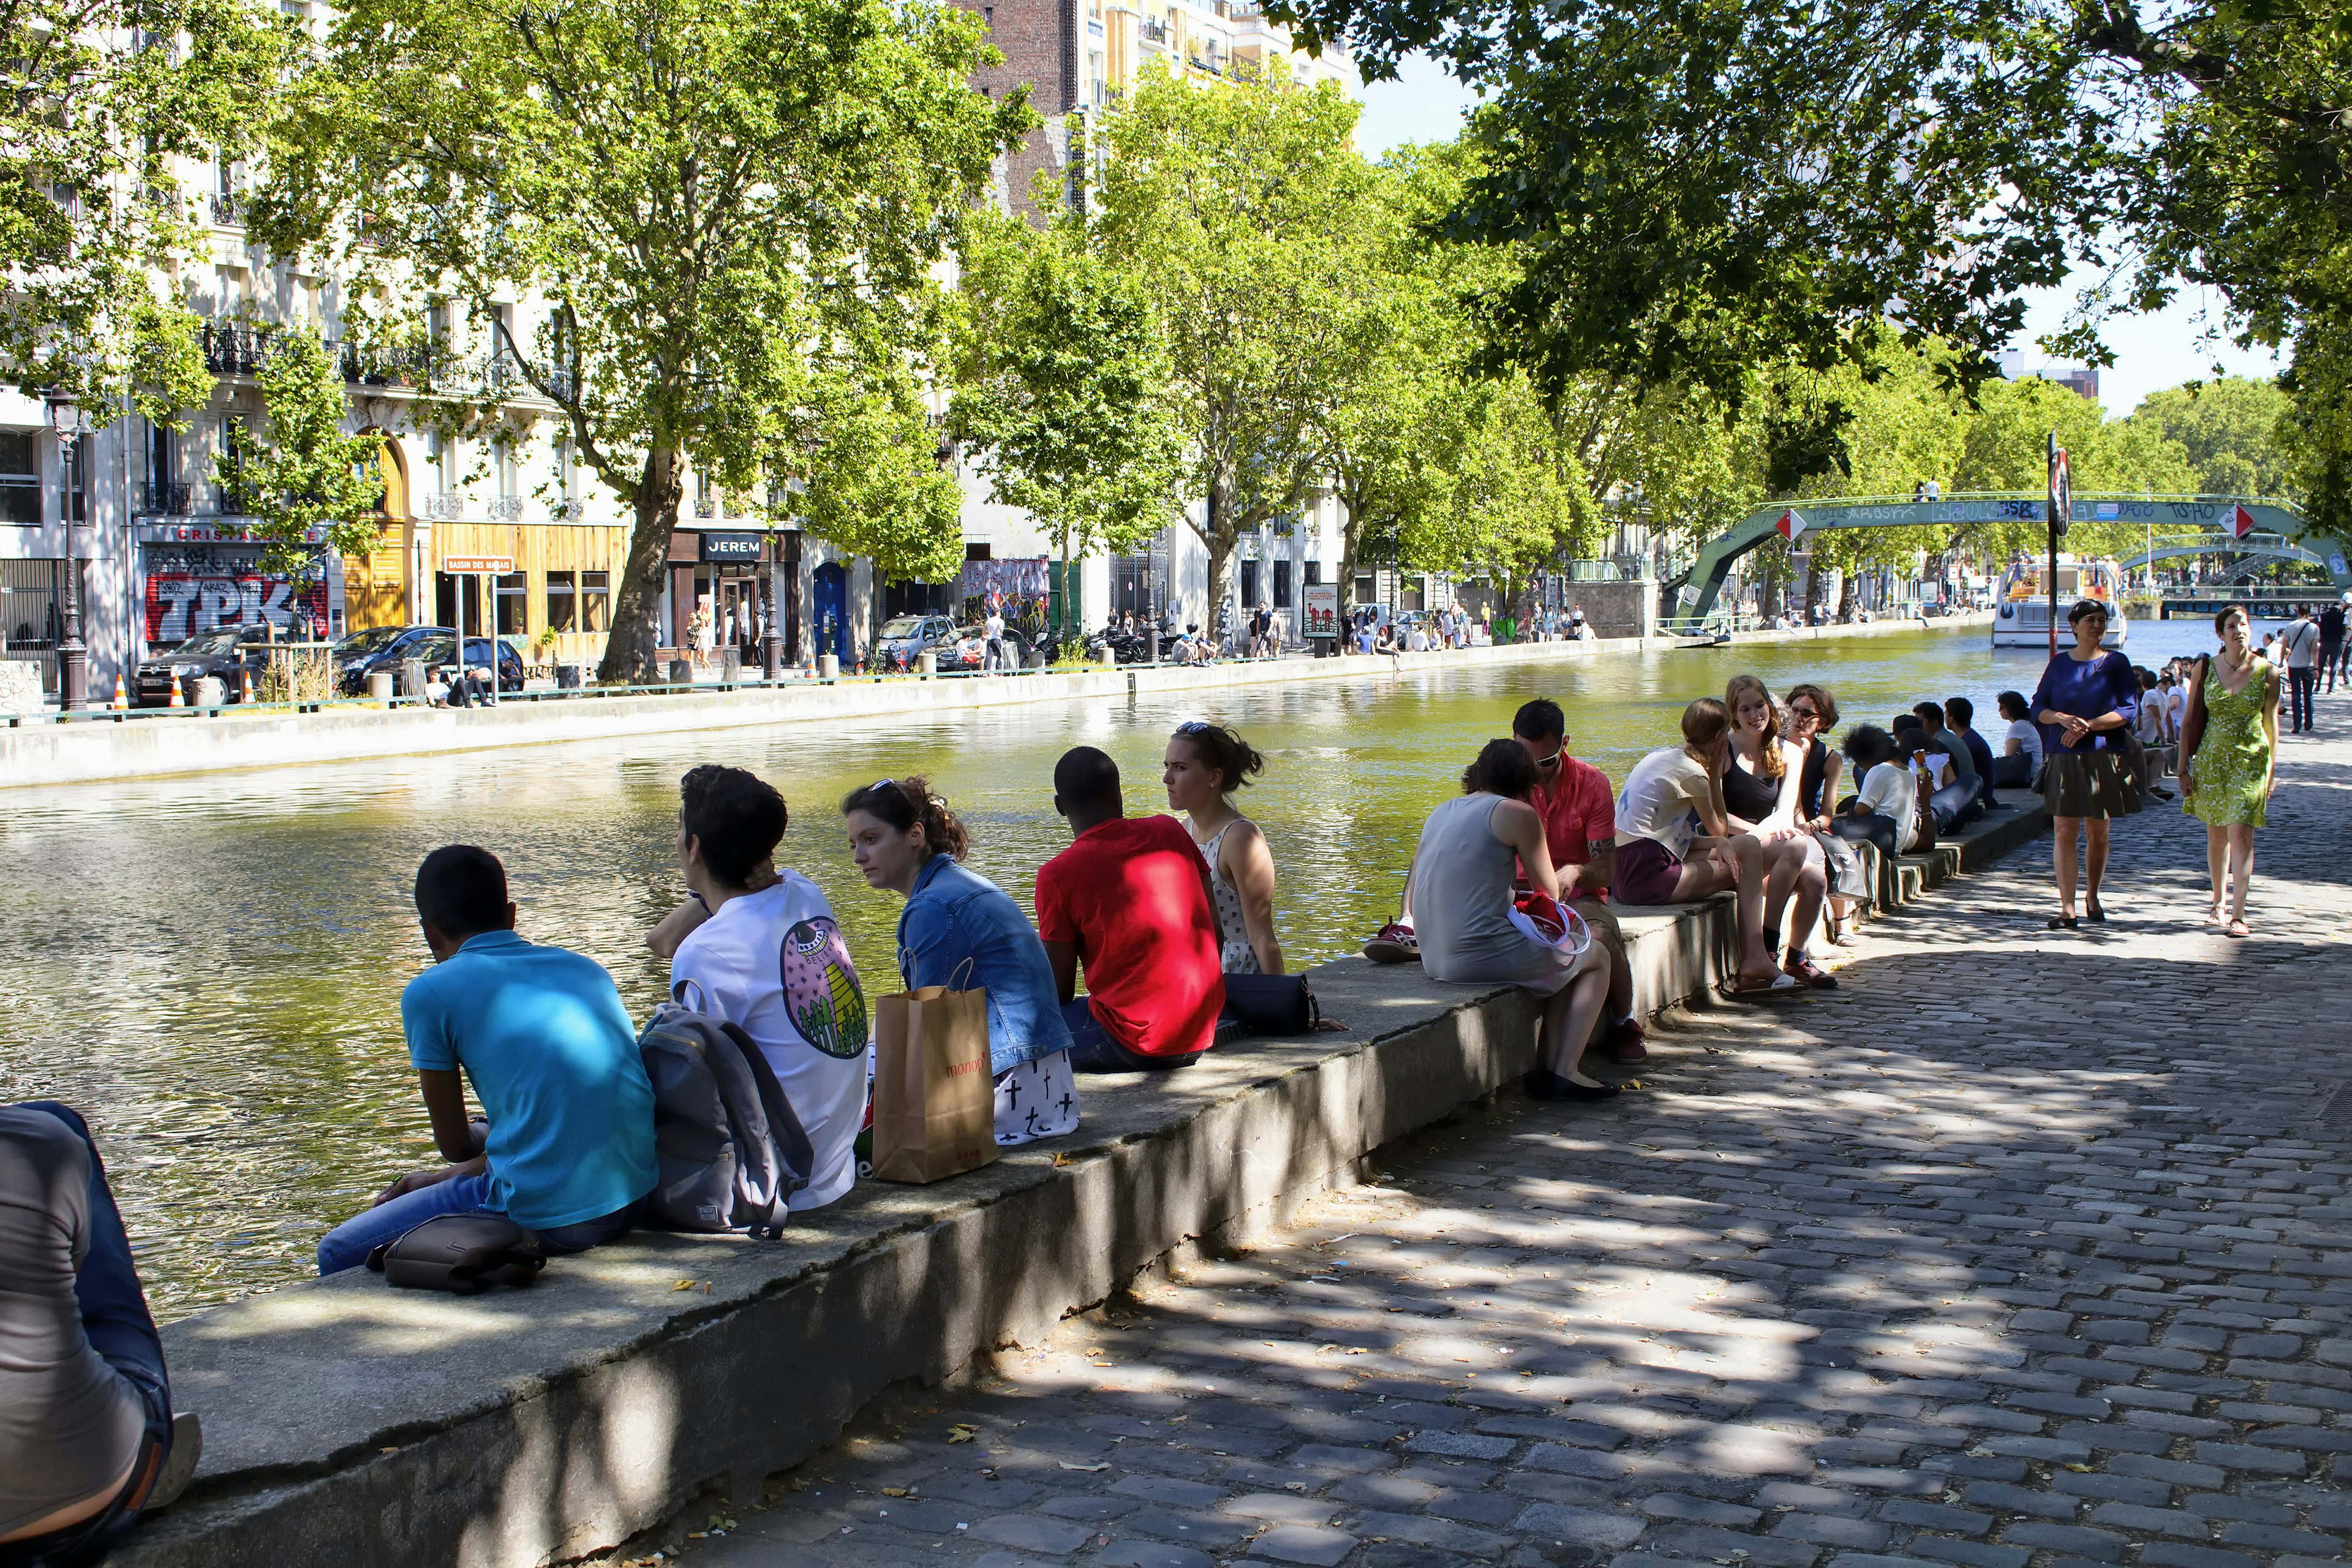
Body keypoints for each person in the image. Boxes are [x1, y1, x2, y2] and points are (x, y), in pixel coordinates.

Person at [317, 846, 658, 1275]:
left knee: (335, 1251)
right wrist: (477, 1145)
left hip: (556, 1220)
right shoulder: (586, 969)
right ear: (511, 914)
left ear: (429, 933)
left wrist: (474, 1139)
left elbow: (454, 1145)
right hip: (633, 1200)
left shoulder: (430, 993)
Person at [1, 1103, 197, 1564]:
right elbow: (72, 1267)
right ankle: (140, 1446)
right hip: (78, 1507)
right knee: (61, 1119)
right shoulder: (37, 1139)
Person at [667, 766, 869, 1212]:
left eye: (680, 828)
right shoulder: (804, 892)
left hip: (779, 1187)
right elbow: (670, 935)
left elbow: (691, 1096)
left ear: (695, 847)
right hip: (836, 1169)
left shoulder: (706, 953)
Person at [843, 777, 1079, 1148]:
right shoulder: (958, 884)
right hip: (1047, 1089)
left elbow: (926, 1026)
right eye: (854, 844)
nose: (858, 856)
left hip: (1009, 1099)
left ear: (915, 834)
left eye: (871, 839)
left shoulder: (932, 908)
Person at [1402, 739, 1616, 1098]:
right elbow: (1549, 892)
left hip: (1433, 958)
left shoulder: (1441, 811)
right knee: (1596, 956)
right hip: (1473, 958)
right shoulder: (1518, 814)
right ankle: (1566, 1071)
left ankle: (1549, 1064)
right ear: (1527, 781)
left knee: (1565, 961)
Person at [1035, 747, 1227, 1071]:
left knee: (1011, 1033)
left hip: (1135, 1043)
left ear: (1059, 806)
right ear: (1118, 793)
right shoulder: (1170, 831)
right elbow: (1212, 926)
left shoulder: (1057, 875)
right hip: (1202, 1025)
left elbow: (1059, 992)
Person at [1611, 698, 1796, 995]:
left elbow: (1667, 835)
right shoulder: (1693, 773)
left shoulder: (1660, 755)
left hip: (1625, 867)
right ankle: (1755, 959)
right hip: (1648, 877)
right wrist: (1713, 775)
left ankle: (1756, 958)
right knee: (1747, 862)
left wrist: (1718, 843)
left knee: (1747, 846)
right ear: (1721, 737)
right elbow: (1720, 826)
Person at [1510, 699, 1643, 1059]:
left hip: (1579, 894)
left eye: (1546, 762)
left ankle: (1623, 1020)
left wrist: (1577, 871)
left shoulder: (1593, 783)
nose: (1536, 772)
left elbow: (1607, 867)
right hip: (1518, 895)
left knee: (1597, 934)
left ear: (1565, 743)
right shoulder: (1507, 781)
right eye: (1528, 761)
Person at [2029, 598, 2141, 929]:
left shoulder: (2116, 663)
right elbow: (2037, 707)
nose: (2096, 625)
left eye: (2102, 620)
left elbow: (2129, 710)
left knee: (2099, 831)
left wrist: (2088, 726)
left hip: (2103, 756)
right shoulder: (2058, 664)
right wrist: (2062, 719)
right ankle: (2067, 907)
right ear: (2073, 626)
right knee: (2064, 830)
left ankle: (2092, 894)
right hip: (2064, 757)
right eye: (2089, 620)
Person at [1721, 676, 1834, 987]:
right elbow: (1715, 817)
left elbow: (1785, 813)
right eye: (1746, 709)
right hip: (1727, 848)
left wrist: (1761, 837)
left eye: (1760, 706)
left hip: (1764, 842)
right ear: (1734, 713)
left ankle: (1795, 958)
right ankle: (1766, 952)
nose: (1755, 715)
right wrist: (1752, 839)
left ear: (1770, 707)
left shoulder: (1789, 751)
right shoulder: (1722, 749)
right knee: (1796, 846)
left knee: (1815, 878)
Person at [2180, 606, 2280, 939]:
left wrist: (2272, 770)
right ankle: (2218, 902)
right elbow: (2190, 719)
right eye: (2232, 626)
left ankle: (2239, 913)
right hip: (2211, 761)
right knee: (2217, 835)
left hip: (2251, 760)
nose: (2239, 630)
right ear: (2220, 633)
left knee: (2241, 833)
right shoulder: (2205, 668)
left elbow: (2271, 723)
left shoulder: (2268, 671)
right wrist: (2182, 767)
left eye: (2244, 625)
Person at [1162, 722, 1283, 975]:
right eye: (1167, 766)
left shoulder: (1240, 838)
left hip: (1239, 982)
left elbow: (1262, 936)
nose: (1167, 778)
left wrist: (1286, 1009)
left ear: (1214, 777)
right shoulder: (1184, 831)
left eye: (1180, 768)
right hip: (1199, 978)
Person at [1784, 683, 1863, 948]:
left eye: (1807, 713)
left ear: (1823, 721)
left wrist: (1811, 824)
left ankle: (1843, 921)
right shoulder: (1776, 748)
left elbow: (1827, 811)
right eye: (1793, 711)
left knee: (1837, 850)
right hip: (1782, 819)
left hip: (1811, 822)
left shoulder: (1830, 758)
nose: (1798, 718)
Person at [1831, 725, 1918, 860]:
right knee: (1849, 803)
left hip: (1883, 840)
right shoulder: (1907, 770)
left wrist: (1834, 817)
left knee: (1831, 825)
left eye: (1861, 765)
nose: (1863, 769)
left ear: (1869, 757)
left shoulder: (1879, 770)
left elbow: (1860, 811)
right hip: (1898, 843)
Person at [1943, 696, 1998, 809]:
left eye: (1946, 714)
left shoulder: (1967, 744)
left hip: (1980, 799)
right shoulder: (1971, 738)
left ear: (1951, 718)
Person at [2277, 605, 2319, 733]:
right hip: (2308, 665)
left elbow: (2284, 647)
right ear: (2309, 613)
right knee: (2308, 695)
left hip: (2294, 665)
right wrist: (2316, 667)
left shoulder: (2290, 627)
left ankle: (2297, 724)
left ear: (2298, 612)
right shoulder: (2314, 628)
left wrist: (2281, 662)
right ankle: (2309, 723)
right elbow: (2314, 649)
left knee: (2296, 694)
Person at [1993, 690, 2041, 791]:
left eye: (2002, 707)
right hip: (2034, 773)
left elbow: (2009, 756)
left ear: (2011, 708)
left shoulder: (2018, 726)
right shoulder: (2025, 724)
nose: (1999, 710)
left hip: (2028, 776)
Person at [2323, 595, 2348, 693]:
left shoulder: (2324, 615)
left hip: (2325, 641)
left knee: (2321, 665)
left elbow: (2321, 628)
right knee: (2334, 664)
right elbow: (2344, 631)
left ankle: (2317, 687)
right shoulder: (2343, 617)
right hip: (2337, 642)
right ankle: (2331, 687)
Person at [982, 604, 1007, 673]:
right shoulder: (1000, 621)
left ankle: (987, 671)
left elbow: (984, 630)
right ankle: (999, 672)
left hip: (990, 639)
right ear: (997, 613)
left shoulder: (988, 621)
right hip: (997, 638)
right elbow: (1001, 628)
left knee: (989, 655)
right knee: (1000, 656)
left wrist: (985, 636)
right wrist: (1001, 633)